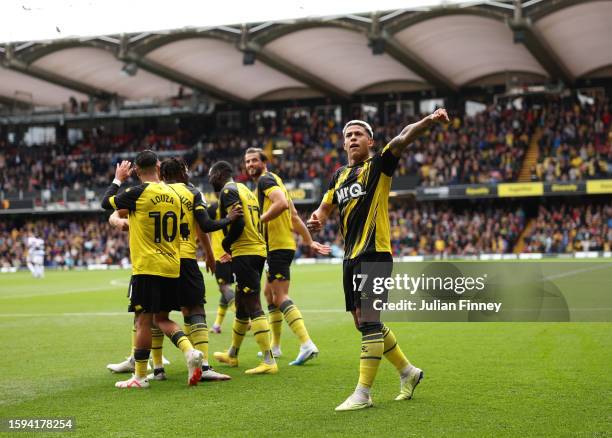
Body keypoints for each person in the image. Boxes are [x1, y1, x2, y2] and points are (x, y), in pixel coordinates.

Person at [307, 110, 450, 410]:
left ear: (370, 141)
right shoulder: (338, 176)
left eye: (358, 134)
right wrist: (317, 220)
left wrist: (427, 122)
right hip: (350, 258)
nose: (352, 139)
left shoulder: (379, 164)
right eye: (348, 136)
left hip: (376, 253)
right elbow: (324, 207)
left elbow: (403, 137)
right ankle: (408, 372)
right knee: (362, 322)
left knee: (370, 320)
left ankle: (363, 393)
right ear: (343, 144)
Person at [101, 150, 203, 388]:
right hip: (171, 265)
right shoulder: (175, 194)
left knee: (143, 322)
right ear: (158, 166)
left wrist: (118, 179)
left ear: (136, 170)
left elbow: (106, 203)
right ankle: (190, 352)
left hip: (147, 266)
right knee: (163, 319)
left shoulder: (137, 193)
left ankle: (139, 377)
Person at [244, 147, 330, 365]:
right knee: (269, 294)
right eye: (247, 161)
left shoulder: (265, 181)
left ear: (264, 162)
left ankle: (306, 343)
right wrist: (309, 241)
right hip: (278, 246)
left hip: (277, 246)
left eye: (254, 160)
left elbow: (281, 205)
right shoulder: (275, 182)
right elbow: (293, 216)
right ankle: (276, 346)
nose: (250, 164)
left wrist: (258, 220)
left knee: (280, 295)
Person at [209, 161, 277, 375]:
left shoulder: (228, 191)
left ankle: (268, 360)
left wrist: (226, 243)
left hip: (245, 251)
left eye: (212, 175)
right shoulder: (245, 189)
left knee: (253, 303)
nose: (210, 179)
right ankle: (233, 354)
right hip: (256, 250)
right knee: (240, 303)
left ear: (220, 174)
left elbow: (237, 222)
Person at [208, 202, 236, 334]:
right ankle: (217, 325)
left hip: (220, 253)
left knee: (224, 287)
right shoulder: (235, 207)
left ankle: (243, 318)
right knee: (224, 288)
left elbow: (205, 225)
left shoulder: (214, 208)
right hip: (233, 252)